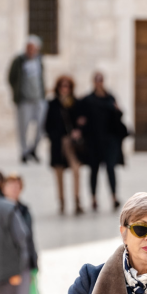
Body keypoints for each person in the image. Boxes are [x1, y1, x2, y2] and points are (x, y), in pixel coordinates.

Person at [1, 173, 39, 294]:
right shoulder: (0, 209)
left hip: (24, 264)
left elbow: (30, 238)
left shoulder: (24, 209)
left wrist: (34, 261)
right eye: (10, 186)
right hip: (5, 264)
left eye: (17, 186)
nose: (14, 189)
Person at [80, 72, 127, 212]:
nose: (99, 83)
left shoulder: (110, 98)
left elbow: (118, 115)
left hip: (110, 140)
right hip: (94, 141)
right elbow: (82, 118)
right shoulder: (88, 100)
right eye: (97, 80)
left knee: (110, 168)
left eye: (101, 80)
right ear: (93, 82)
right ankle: (93, 199)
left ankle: (114, 198)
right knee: (94, 169)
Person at [45, 75, 85, 215]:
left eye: (67, 86)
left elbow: (81, 121)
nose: (64, 89)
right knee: (59, 172)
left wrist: (77, 131)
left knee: (76, 170)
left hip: (71, 144)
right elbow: (47, 125)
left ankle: (77, 201)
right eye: (62, 86)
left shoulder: (75, 103)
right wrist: (55, 136)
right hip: (57, 143)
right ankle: (61, 202)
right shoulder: (52, 104)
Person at [8, 35, 46, 163]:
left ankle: (33, 149)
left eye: (33, 48)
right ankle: (24, 152)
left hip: (39, 99)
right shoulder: (19, 61)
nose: (31, 50)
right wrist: (18, 93)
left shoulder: (39, 61)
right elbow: (11, 77)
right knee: (23, 127)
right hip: (24, 100)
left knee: (41, 126)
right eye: (29, 47)